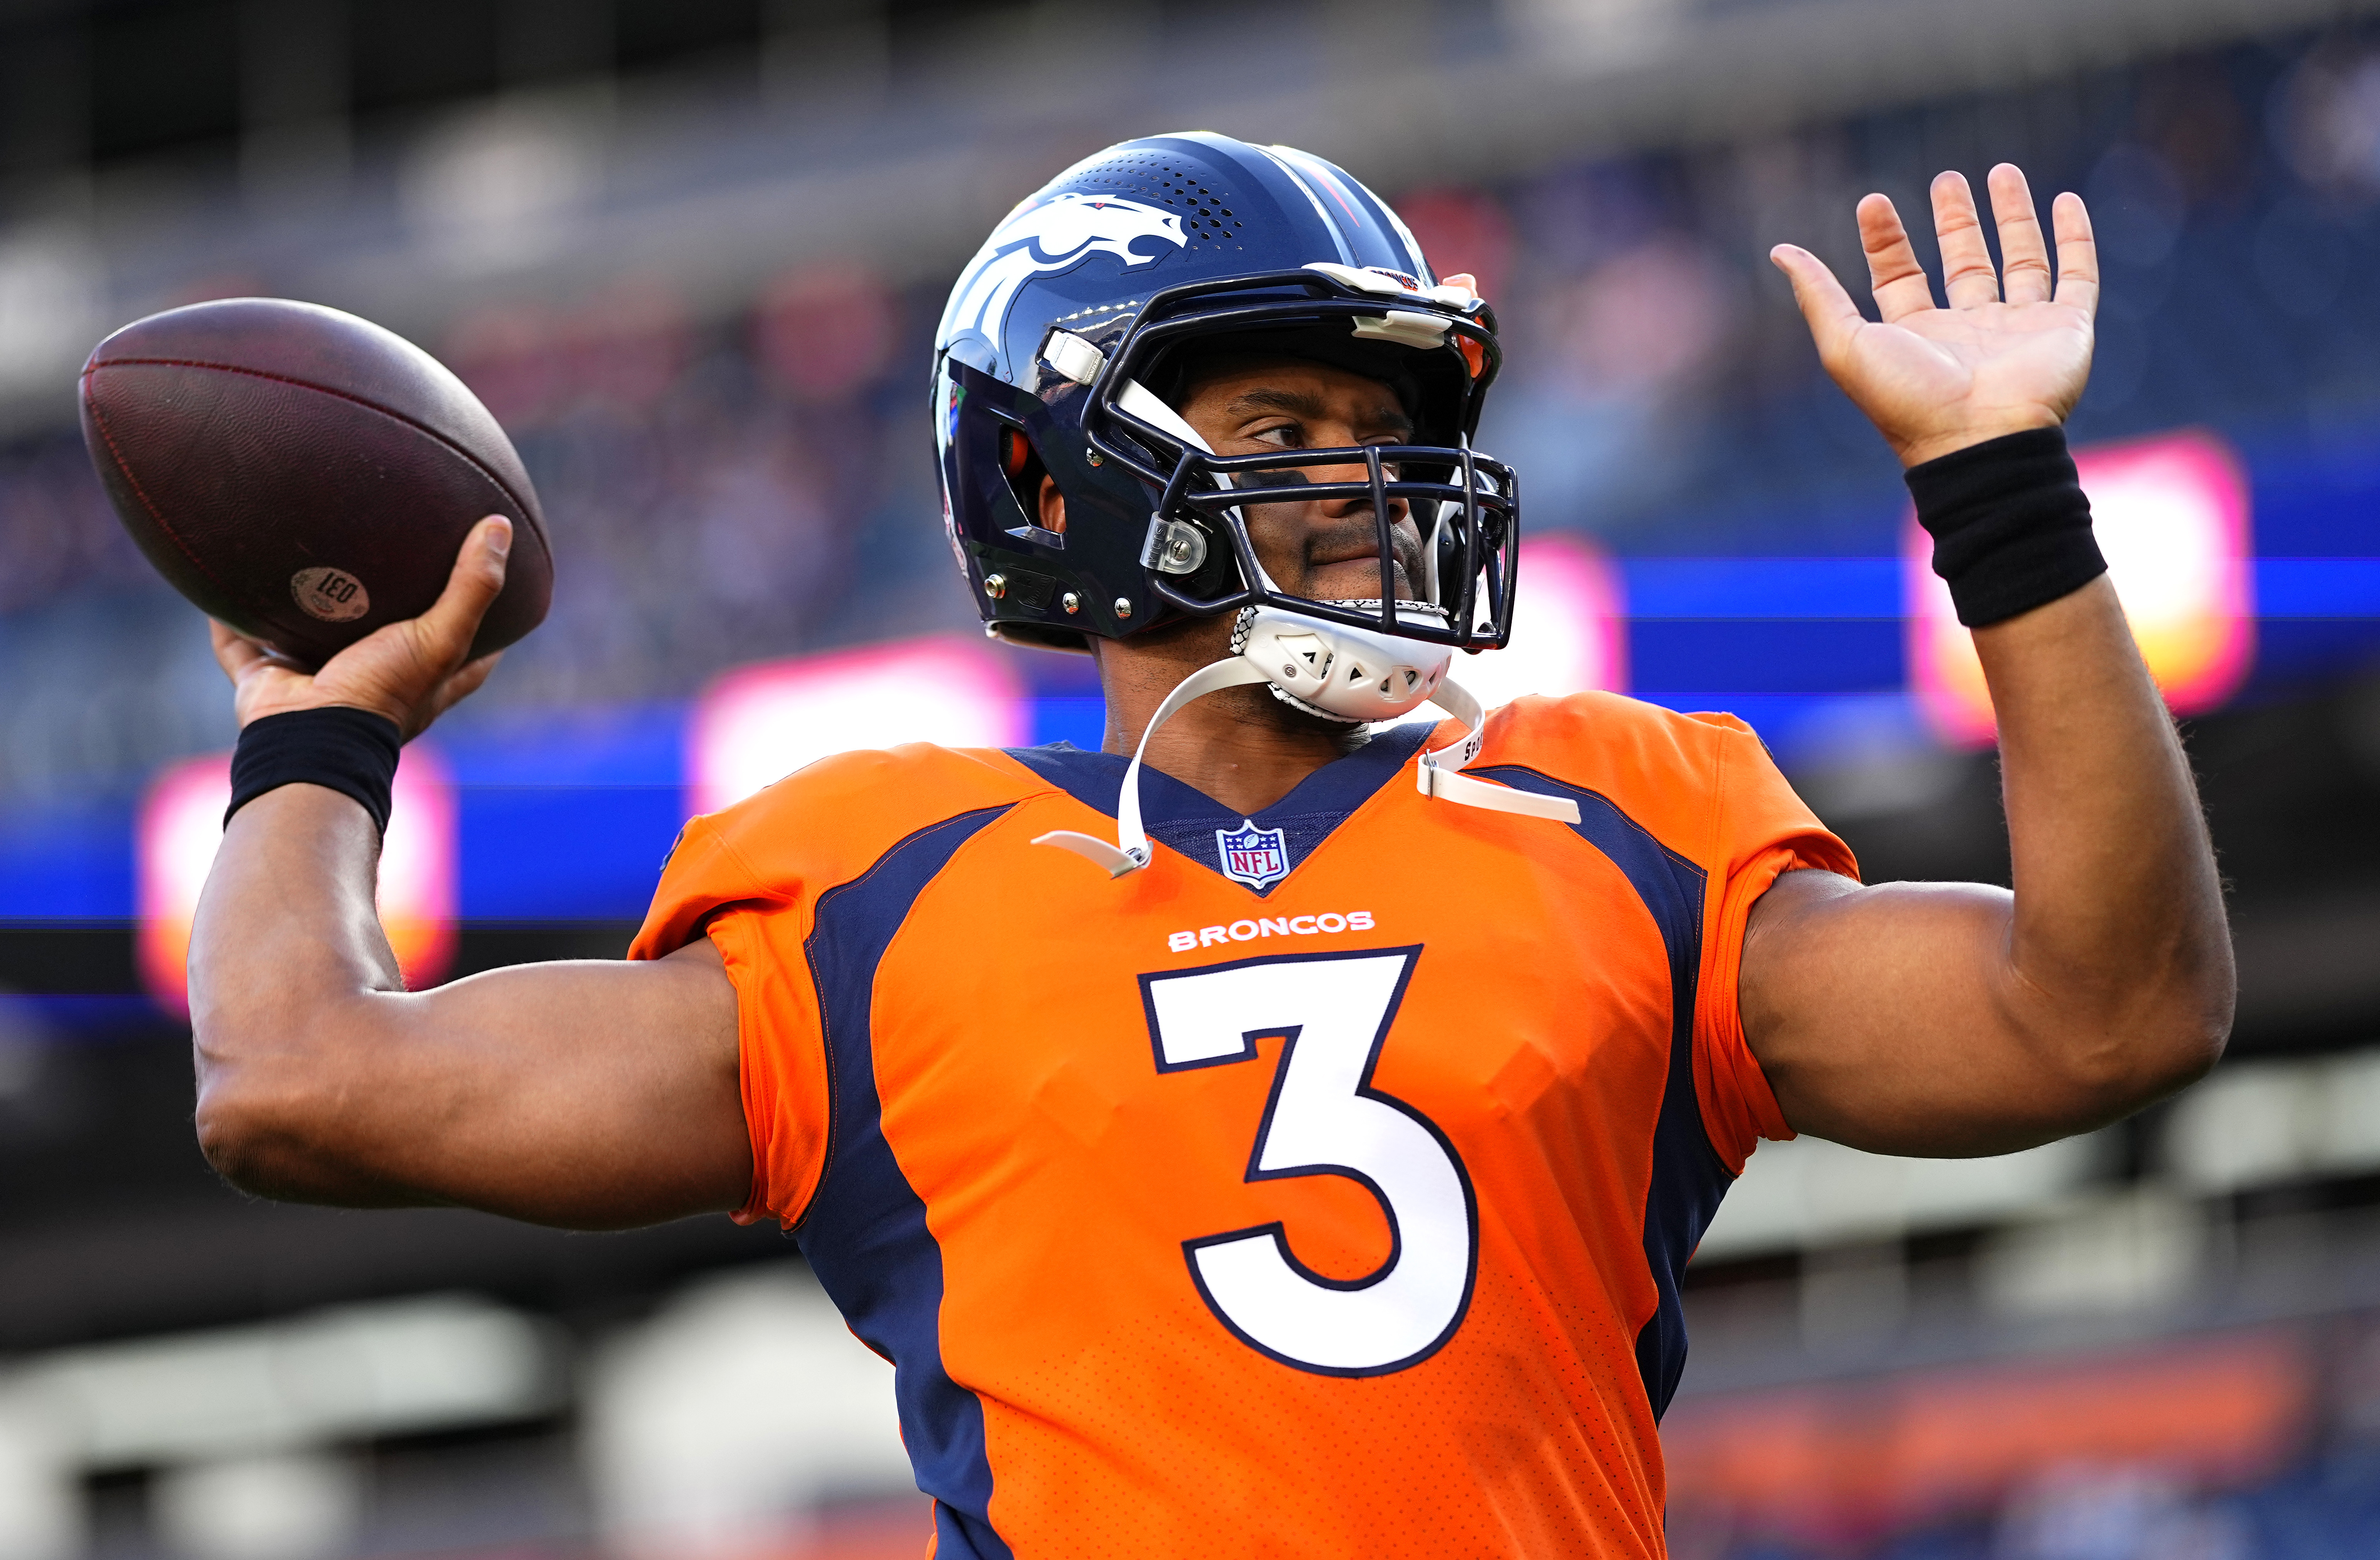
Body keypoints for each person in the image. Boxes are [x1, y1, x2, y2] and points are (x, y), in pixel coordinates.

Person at [190, 133, 2230, 1557]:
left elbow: (2111, 1011)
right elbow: (297, 1077)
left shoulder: (1618, 817)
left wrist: (2004, 500)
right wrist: (318, 737)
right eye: (1281, 435)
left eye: (1387, 431)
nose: (1368, 489)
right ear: (1054, 472)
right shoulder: (879, 890)